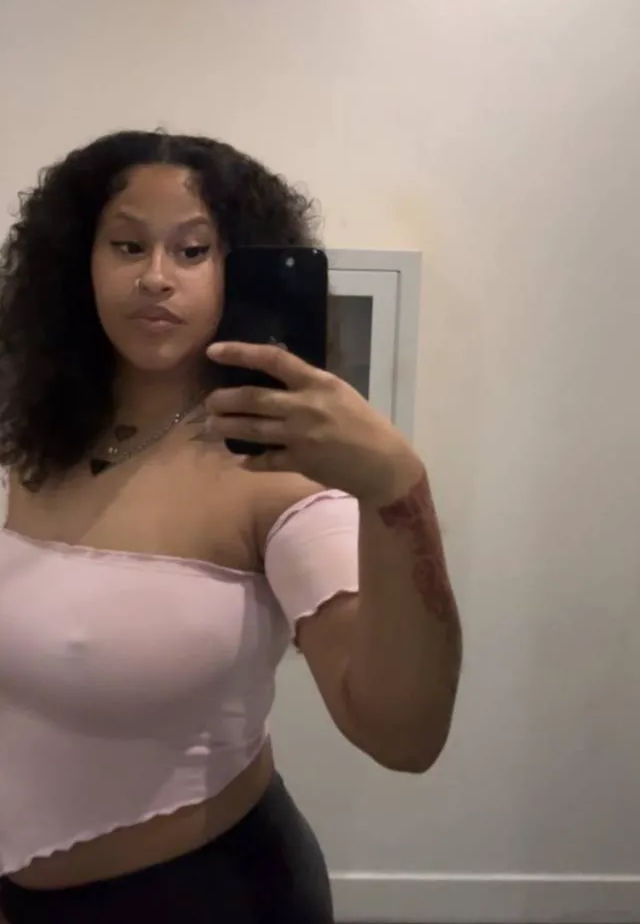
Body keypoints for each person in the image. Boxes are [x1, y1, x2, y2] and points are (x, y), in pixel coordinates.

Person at [0, 130, 462, 924]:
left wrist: (397, 489)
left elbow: (403, 735)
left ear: (238, 267)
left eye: (192, 250)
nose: (155, 276)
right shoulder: (32, 446)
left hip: (206, 897)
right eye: (127, 245)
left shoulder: (277, 476)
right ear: (79, 264)